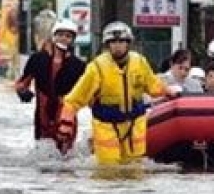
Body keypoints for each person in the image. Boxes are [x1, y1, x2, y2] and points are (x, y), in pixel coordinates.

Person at [56, 21, 180, 166]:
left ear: (128, 43)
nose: (118, 45)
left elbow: (153, 85)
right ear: (107, 45)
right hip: (106, 125)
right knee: (108, 168)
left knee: (135, 167)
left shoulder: (139, 62)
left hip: (134, 124)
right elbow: (74, 99)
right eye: (113, 42)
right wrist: (66, 122)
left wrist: (169, 92)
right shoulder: (96, 68)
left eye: (121, 41)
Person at [15, 19, 86, 149]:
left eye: (68, 36)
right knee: (43, 152)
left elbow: (88, 91)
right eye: (60, 35)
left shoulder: (78, 65)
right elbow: (23, 82)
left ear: (73, 40)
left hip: (66, 113)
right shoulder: (37, 59)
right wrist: (22, 92)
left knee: (66, 153)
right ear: (54, 36)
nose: (63, 39)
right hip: (43, 114)